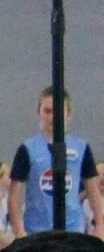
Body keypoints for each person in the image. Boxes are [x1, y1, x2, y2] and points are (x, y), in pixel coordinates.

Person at [9, 88, 104, 238]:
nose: (52, 117)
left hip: (72, 229)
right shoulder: (27, 149)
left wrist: (99, 224)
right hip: (36, 230)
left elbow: (92, 188)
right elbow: (15, 194)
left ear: (69, 115)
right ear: (38, 113)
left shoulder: (81, 148)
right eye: (47, 111)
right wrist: (19, 230)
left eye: (58, 112)